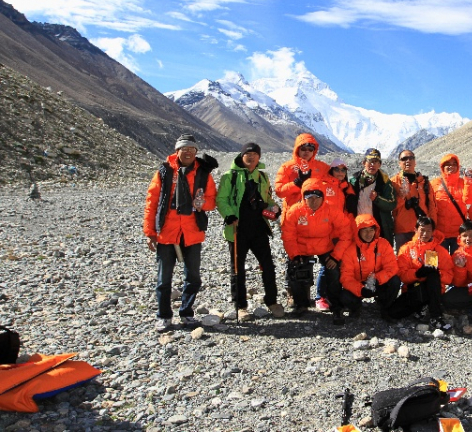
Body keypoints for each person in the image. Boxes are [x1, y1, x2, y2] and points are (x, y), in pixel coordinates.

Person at [143, 134, 218, 332]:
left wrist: (203, 204)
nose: (187, 152)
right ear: (177, 151)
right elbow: (152, 202)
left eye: (191, 150)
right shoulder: (164, 172)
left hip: (192, 232)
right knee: (163, 279)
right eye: (184, 149)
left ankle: (186, 313)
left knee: (193, 277)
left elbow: (212, 200)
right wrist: (150, 232)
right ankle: (163, 316)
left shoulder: (203, 174)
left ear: (196, 152)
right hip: (167, 233)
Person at [216, 142, 284, 321]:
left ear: (259, 157)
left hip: (259, 228)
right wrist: (229, 215)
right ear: (242, 155)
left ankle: (272, 301)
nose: (251, 157)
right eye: (248, 153)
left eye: (255, 154)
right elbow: (221, 199)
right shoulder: (229, 177)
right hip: (237, 230)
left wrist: (275, 208)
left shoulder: (262, 177)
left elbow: (268, 198)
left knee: (268, 266)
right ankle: (240, 306)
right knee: (237, 269)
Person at [281, 178, 352, 316]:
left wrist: (335, 256)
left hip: (324, 245)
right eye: (309, 197)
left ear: (323, 197)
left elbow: (346, 233)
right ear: (303, 197)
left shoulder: (332, 210)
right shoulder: (294, 211)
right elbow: (288, 236)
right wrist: (295, 255)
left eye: (317, 197)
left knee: (334, 269)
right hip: (301, 247)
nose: (314, 201)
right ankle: (301, 303)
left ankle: (334, 303)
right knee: (295, 269)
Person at [386, 216, 454, 330]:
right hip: (414, 289)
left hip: (434, 291)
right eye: (422, 230)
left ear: (433, 231)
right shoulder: (406, 249)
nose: (425, 234)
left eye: (429, 230)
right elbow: (402, 275)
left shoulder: (440, 251)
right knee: (393, 313)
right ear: (415, 230)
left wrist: (437, 274)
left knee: (432, 275)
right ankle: (422, 308)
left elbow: (449, 278)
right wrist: (418, 273)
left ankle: (436, 317)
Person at [335, 215, 401, 325]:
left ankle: (385, 307)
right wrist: (360, 289)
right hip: (360, 284)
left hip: (377, 282)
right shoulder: (350, 250)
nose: (369, 234)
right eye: (364, 230)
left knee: (395, 281)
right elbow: (346, 277)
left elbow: (392, 267)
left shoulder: (383, 244)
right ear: (357, 231)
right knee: (344, 296)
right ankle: (356, 307)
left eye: (371, 230)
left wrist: (377, 279)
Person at [314, 158, 357, 311]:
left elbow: (351, 213)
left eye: (343, 169)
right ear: (331, 170)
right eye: (337, 169)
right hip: (328, 232)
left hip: (344, 233)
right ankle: (320, 297)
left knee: (339, 265)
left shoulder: (348, 188)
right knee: (328, 265)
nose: (340, 172)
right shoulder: (324, 186)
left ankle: (334, 296)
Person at [275, 133, 330, 223]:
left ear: (314, 151)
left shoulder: (322, 167)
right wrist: (296, 184)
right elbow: (279, 192)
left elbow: (335, 180)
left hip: (316, 213)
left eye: (310, 149)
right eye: (303, 149)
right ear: (297, 150)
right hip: (292, 214)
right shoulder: (287, 167)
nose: (307, 152)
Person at [390, 150, 437, 252]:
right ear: (399, 163)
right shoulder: (393, 182)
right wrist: (402, 197)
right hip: (402, 230)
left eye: (411, 158)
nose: (408, 161)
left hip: (424, 230)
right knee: (403, 260)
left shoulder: (424, 182)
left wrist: (433, 227)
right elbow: (391, 207)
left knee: (428, 261)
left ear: (415, 162)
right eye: (404, 159)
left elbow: (432, 205)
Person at [431, 154, 472, 253]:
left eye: (454, 164)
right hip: (439, 233)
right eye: (447, 164)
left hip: (459, 233)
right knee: (437, 262)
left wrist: (469, 181)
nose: (451, 166)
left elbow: (469, 200)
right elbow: (429, 206)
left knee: (458, 262)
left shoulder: (463, 182)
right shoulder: (434, 184)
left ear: (458, 166)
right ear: (442, 167)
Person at [350, 148, 397, 245]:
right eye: (370, 161)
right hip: (358, 224)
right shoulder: (354, 181)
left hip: (378, 226)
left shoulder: (385, 182)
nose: (373, 165)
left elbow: (392, 204)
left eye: (376, 162)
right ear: (364, 163)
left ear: (379, 165)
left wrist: (377, 199)